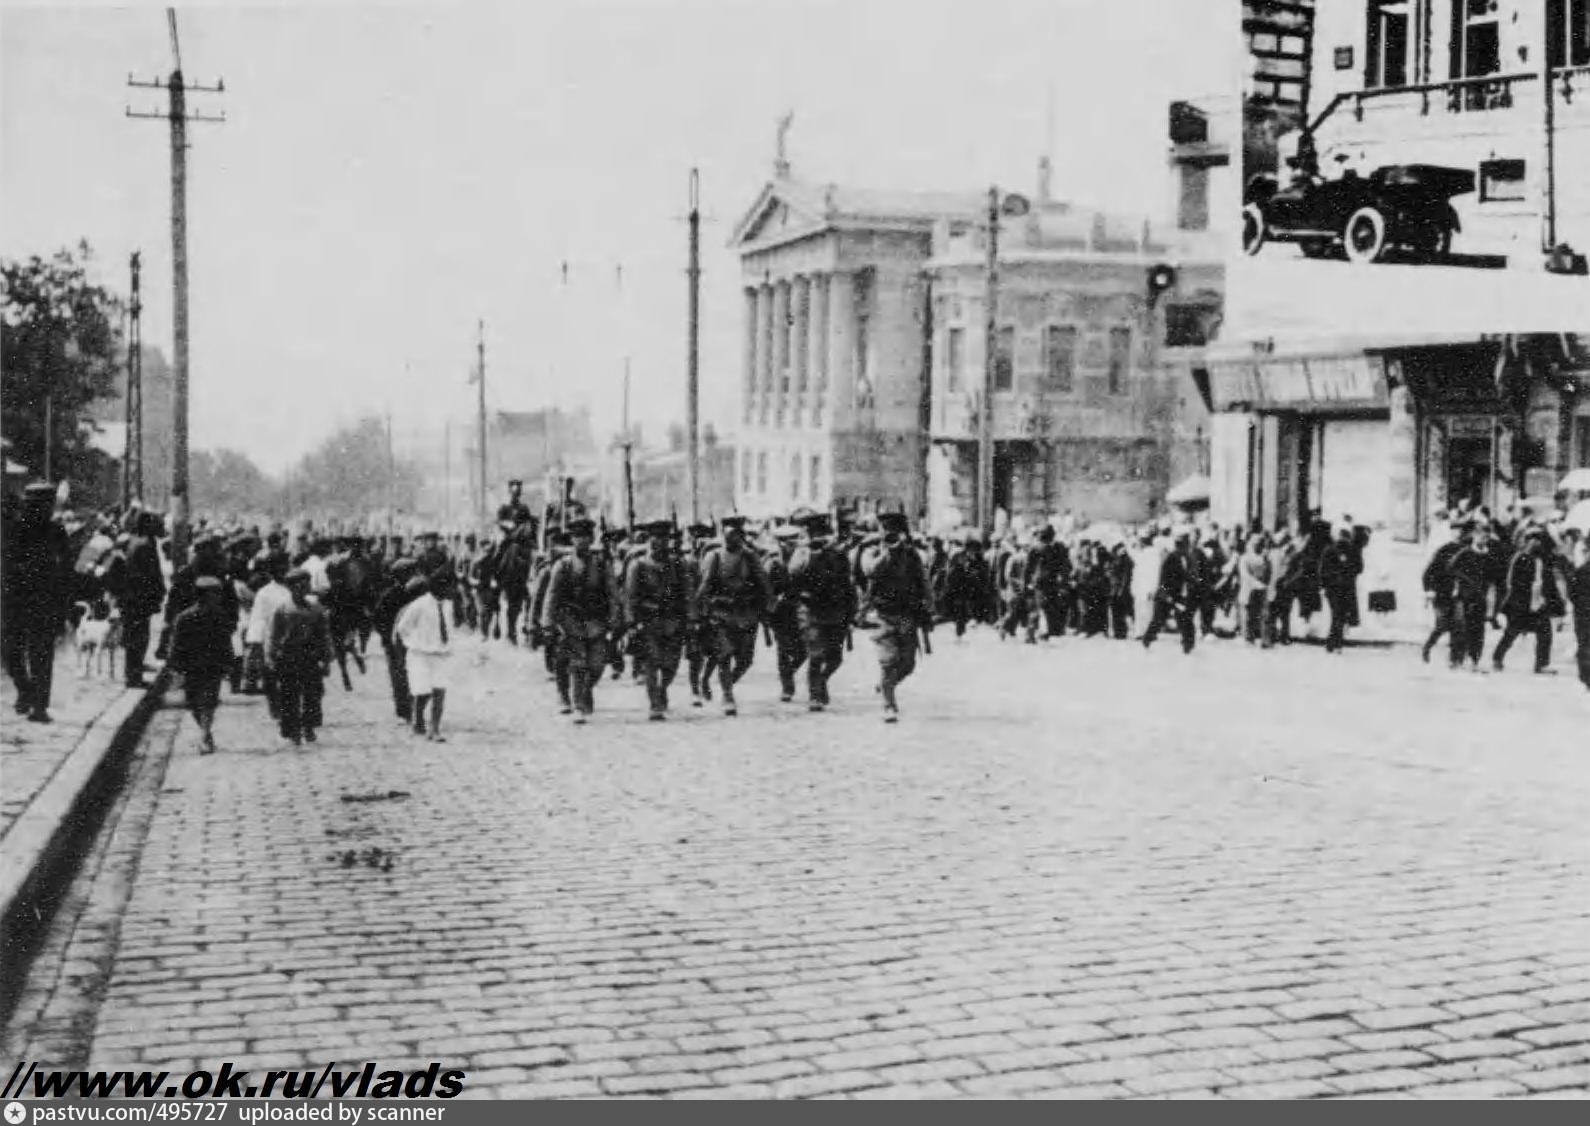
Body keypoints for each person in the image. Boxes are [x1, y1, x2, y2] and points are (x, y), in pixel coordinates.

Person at [1, 483, 71, 721]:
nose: (45, 510)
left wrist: (63, 602)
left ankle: (39, 706)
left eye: (48, 505)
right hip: (16, 600)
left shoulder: (56, 531)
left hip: (44, 600)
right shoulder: (15, 528)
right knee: (10, 652)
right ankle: (25, 690)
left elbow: (66, 567)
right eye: (39, 505)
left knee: (41, 654)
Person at [542, 519, 619, 725]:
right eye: (577, 537)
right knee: (578, 663)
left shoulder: (602, 564)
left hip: (596, 621)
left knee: (597, 665)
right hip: (570, 621)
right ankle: (579, 705)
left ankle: (585, 691)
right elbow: (552, 596)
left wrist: (614, 618)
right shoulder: (563, 565)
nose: (581, 541)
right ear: (572, 540)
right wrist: (548, 623)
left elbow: (612, 593)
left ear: (591, 539)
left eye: (585, 536)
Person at [695, 516, 773, 717]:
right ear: (724, 535)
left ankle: (723, 683)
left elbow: (763, 582)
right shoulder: (714, 556)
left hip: (746, 613)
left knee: (745, 660)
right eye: (730, 534)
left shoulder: (750, 556)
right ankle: (728, 695)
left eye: (737, 534)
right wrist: (698, 609)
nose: (733, 538)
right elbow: (705, 584)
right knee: (724, 655)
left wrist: (768, 605)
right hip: (721, 613)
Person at [860, 513, 932, 723]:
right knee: (888, 661)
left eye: (895, 532)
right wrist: (888, 552)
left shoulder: (911, 554)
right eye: (886, 531)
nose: (890, 536)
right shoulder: (871, 551)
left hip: (907, 614)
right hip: (883, 614)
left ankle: (886, 685)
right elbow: (871, 571)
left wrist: (929, 605)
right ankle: (889, 705)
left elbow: (923, 580)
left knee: (908, 664)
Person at [785, 513, 855, 712]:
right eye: (814, 533)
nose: (818, 538)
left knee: (835, 658)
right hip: (811, 610)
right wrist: (809, 552)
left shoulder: (838, 554)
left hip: (835, 610)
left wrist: (851, 612)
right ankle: (814, 695)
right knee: (816, 654)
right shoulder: (802, 552)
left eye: (821, 534)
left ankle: (822, 680)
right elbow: (793, 571)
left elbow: (847, 583)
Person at [625, 520, 691, 720]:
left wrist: (690, 618)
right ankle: (655, 703)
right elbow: (630, 597)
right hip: (649, 621)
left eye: (663, 537)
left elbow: (687, 593)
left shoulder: (678, 564)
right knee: (651, 662)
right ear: (649, 540)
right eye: (655, 537)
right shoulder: (638, 565)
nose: (659, 542)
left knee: (671, 664)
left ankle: (663, 689)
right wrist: (631, 623)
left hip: (673, 620)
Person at [165, 575, 234, 754]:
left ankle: (203, 737)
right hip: (191, 667)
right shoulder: (185, 617)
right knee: (193, 703)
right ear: (203, 595)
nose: (218, 597)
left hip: (212, 666)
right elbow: (176, 643)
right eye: (214, 594)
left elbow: (226, 641)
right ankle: (206, 732)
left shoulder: (220, 616)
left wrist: (228, 662)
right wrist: (175, 665)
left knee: (208, 701)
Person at [267, 569, 332, 746]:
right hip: (288, 657)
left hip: (310, 656)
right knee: (289, 695)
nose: (305, 588)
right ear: (292, 587)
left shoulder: (315, 608)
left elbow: (323, 635)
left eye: (307, 584)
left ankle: (308, 727)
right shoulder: (282, 608)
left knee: (313, 694)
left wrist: (326, 659)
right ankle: (292, 730)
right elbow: (273, 635)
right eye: (301, 585)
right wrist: (271, 657)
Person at [1492, 527, 1566, 675]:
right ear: (1528, 542)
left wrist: (1556, 604)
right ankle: (1497, 658)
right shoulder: (1519, 558)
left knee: (1545, 632)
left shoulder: (1543, 560)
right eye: (1534, 540)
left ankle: (1541, 665)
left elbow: (1549, 583)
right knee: (1511, 633)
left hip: (1538, 604)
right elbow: (1512, 583)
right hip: (1520, 604)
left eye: (1539, 541)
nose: (1537, 544)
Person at [394, 572, 455, 741]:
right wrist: (415, 643)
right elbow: (403, 627)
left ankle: (435, 730)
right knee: (422, 691)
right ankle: (418, 720)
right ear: (439, 587)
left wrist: (448, 645)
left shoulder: (448, 606)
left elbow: (448, 628)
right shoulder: (419, 605)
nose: (451, 590)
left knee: (440, 692)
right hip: (420, 655)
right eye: (448, 586)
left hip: (441, 654)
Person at [120, 511, 167, 689]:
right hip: (139, 599)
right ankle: (134, 676)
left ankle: (133, 673)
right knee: (138, 638)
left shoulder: (136, 541)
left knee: (135, 637)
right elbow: (150, 574)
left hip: (133, 598)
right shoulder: (145, 545)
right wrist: (156, 593)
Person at [372, 558, 422, 725]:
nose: (413, 575)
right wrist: (388, 637)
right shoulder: (390, 595)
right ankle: (405, 711)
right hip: (395, 643)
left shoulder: (416, 593)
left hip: (411, 641)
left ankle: (411, 710)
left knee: (409, 675)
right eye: (409, 572)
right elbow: (378, 619)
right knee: (400, 677)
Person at [1445, 520, 1497, 672]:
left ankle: (1474, 659)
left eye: (1486, 537)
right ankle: (1456, 659)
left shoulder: (1489, 556)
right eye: (1481, 536)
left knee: (1478, 629)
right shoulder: (1465, 553)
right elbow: (1451, 568)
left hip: (1481, 596)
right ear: (1474, 535)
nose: (1483, 540)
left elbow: (1493, 576)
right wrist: (1464, 579)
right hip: (1464, 597)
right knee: (1461, 628)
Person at [765, 524, 808, 702]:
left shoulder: (803, 557)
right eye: (789, 543)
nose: (793, 546)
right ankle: (787, 688)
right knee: (783, 649)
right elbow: (765, 586)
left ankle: (788, 672)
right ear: (781, 543)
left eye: (795, 542)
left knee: (804, 649)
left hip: (799, 608)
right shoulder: (772, 561)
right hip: (780, 612)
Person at [1142, 531, 1202, 654]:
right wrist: (1167, 595)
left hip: (1177, 595)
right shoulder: (1172, 558)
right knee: (1159, 619)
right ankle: (1147, 640)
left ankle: (1188, 645)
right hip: (1167, 594)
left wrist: (1193, 583)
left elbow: (1189, 575)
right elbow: (1164, 578)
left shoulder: (1186, 558)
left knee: (1184, 619)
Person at [1420, 520, 1466, 664]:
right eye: (1455, 531)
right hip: (1442, 593)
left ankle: (1455, 658)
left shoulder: (1467, 551)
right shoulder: (1444, 550)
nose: (1458, 534)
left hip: (1459, 594)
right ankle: (1427, 647)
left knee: (1458, 625)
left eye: (1461, 531)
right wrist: (1429, 590)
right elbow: (1428, 572)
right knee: (1442, 625)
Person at [1318, 527, 1361, 654]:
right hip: (1347, 587)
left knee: (1336, 615)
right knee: (1340, 615)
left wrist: (1323, 586)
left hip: (1332, 588)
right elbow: (1360, 568)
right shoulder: (1354, 550)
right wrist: (1349, 573)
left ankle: (1332, 643)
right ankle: (1336, 643)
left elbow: (1322, 570)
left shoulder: (1329, 549)